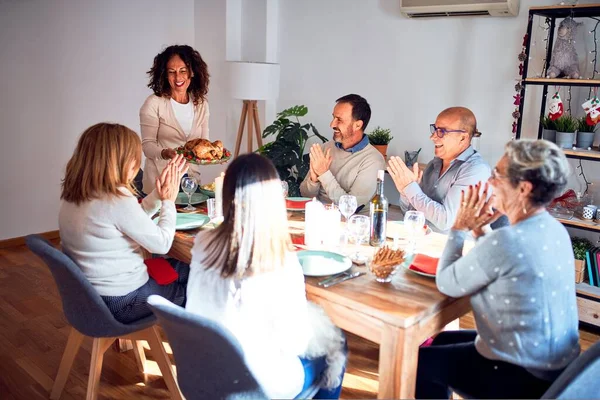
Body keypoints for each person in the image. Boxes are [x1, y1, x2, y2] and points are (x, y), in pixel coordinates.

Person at [415, 139, 580, 399]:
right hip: (557, 367)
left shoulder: (508, 241)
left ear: (524, 188)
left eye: (497, 175)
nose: (490, 181)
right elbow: (505, 262)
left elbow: (446, 282)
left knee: (420, 363)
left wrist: (458, 228)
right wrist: (480, 230)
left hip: (522, 375)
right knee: (443, 341)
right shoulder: (554, 229)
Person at [186, 153, 347, 399]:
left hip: (203, 373)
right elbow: (295, 343)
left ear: (227, 194)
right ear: (273, 199)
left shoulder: (203, 242)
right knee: (337, 346)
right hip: (253, 386)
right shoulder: (279, 258)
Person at [59, 123, 190, 324]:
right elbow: (162, 244)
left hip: (93, 300)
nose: (137, 167)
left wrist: (158, 194)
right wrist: (168, 201)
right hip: (124, 302)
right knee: (199, 282)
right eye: (134, 161)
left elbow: (129, 219)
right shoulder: (116, 200)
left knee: (188, 268)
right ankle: (206, 347)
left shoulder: (76, 195)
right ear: (117, 162)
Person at [387, 107, 490, 233]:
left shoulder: (476, 171)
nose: (433, 137)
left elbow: (446, 221)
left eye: (441, 131)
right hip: (423, 241)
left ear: (462, 138)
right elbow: (411, 215)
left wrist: (410, 187)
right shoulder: (433, 165)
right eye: (435, 129)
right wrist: (405, 192)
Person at [140, 44, 210, 194]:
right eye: (171, 72)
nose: (178, 77)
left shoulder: (201, 104)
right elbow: (147, 146)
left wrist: (211, 152)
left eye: (183, 70)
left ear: (192, 72)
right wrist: (165, 153)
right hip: (160, 182)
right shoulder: (154, 103)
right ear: (165, 75)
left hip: (191, 183)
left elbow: (204, 142)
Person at [300, 94, 385, 207]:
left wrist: (324, 173)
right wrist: (313, 180)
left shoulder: (373, 160)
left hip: (350, 221)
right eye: (333, 117)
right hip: (317, 216)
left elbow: (350, 206)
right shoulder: (326, 148)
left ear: (357, 125)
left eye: (339, 120)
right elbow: (306, 195)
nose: (332, 124)